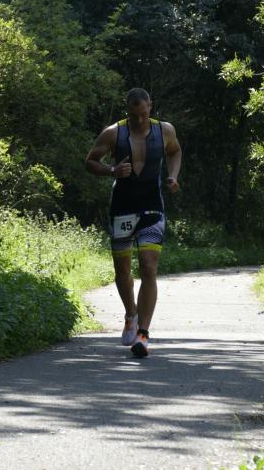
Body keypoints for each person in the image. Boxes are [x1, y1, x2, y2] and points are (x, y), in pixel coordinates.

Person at [84, 88, 182, 357]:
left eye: (143, 114)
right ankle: (131, 314)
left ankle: (143, 335)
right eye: (134, 115)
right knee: (122, 270)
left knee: (149, 266)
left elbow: (175, 151)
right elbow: (90, 162)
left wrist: (173, 176)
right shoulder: (113, 133)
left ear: (150, 106)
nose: (139, 119)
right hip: (122, 208)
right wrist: (112, 170)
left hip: (152, 206)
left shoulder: (165, 130)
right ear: (127, 110)